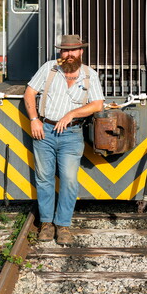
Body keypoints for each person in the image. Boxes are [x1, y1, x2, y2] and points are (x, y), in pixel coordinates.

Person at [24, 34, 104, 245]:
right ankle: (46, 224)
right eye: (65, 51)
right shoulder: (49, 68)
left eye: (73, 51)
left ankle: (63, 225)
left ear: (81, 52)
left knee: (69, 180)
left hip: (71, 134)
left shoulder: (89, 75)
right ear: (61, 52)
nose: (68, 55)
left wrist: (71, 114)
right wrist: (34, 119)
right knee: (44, 179)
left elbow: (97, 104)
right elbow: (29, 93)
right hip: (45, 131)